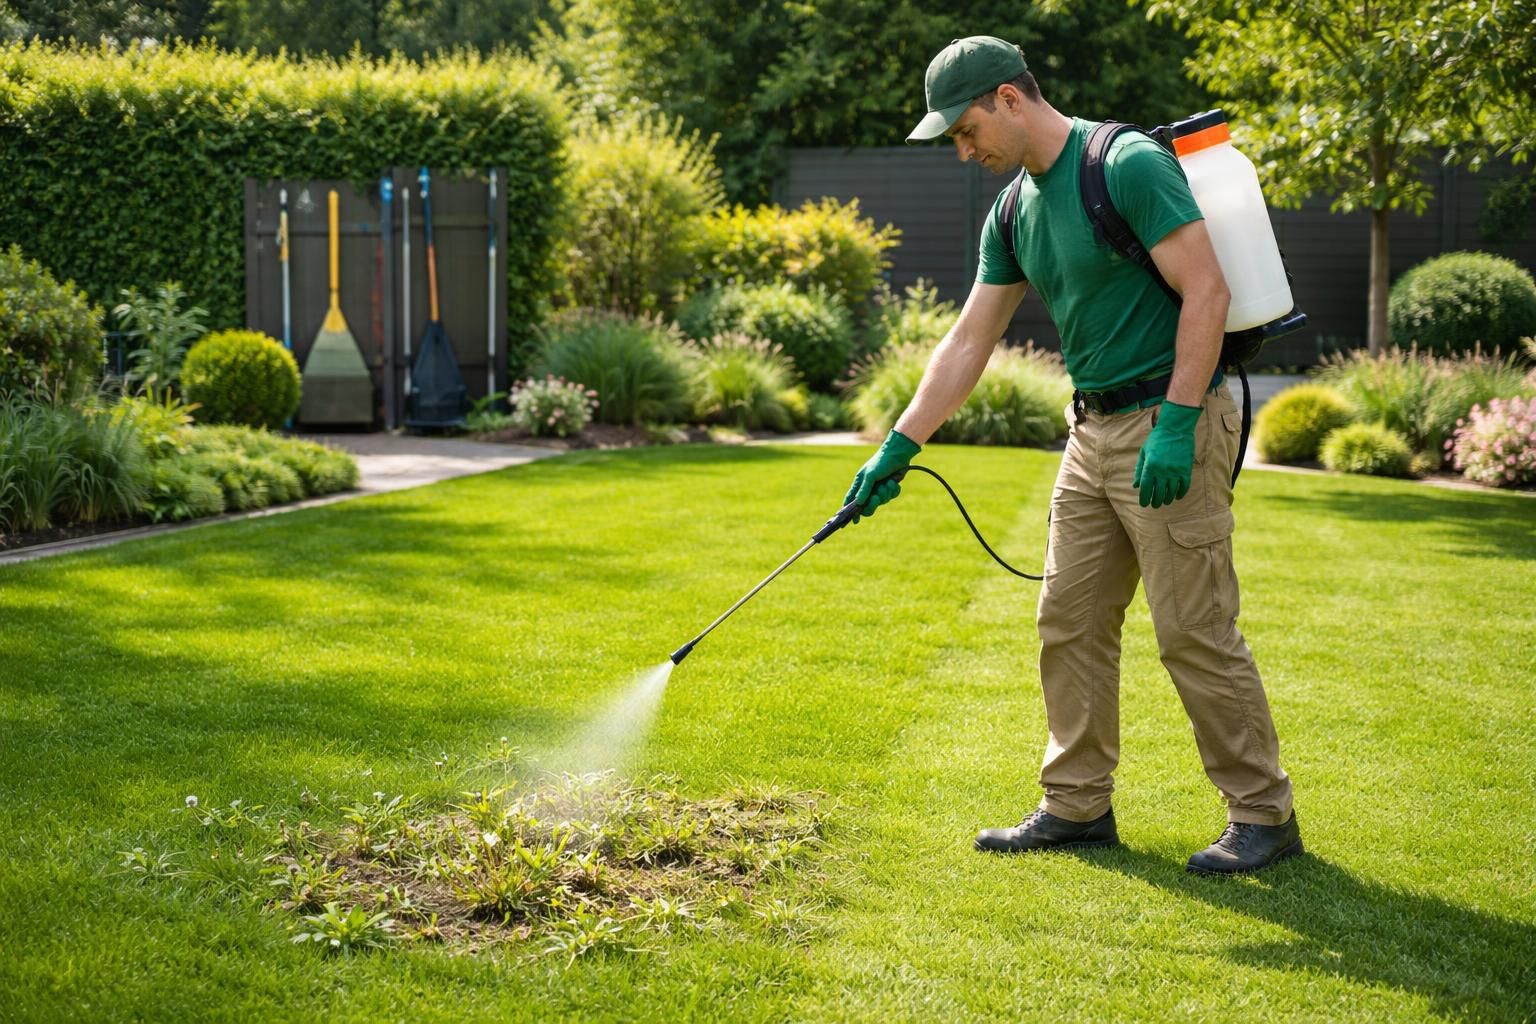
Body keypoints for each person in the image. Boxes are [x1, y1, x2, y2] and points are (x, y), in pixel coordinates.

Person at [843, 36, 1300, 875]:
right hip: (1089, 434)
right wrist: (899, 446)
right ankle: (1077, 805)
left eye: (966, 128)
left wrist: (1175, 421)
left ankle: (1264, 814)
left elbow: (1208, 290)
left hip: (1172, 420)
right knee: (1069, 619)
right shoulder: (1013, 209)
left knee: (1193, 629)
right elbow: (971, 337)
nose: (963, 148)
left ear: (1010, 99)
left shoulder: (1122, 165)